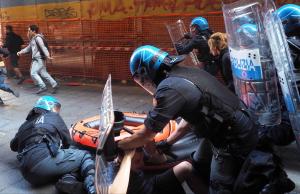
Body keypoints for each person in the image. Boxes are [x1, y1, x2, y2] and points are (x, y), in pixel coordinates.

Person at [118, 45, 258, 193]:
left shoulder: (169, 89)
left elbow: (146, 135)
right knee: (198, 163)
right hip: (230, 126)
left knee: (219, 187)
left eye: (140, 80)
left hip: (232, 137)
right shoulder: (185, 74)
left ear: (144, 73)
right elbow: (188, 120)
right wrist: (167, 143)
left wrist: (118, 147)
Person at [10, 96, 95, 194]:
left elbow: (13, 146)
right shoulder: (53, 116)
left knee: (67, 162)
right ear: (49, 106)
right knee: (83, 155)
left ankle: (68, 181)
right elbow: (68, 143)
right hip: (43, 162)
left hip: (27, 173)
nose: (57, 111)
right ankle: (92, 188)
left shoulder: (24, 125)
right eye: (56, 108)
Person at [17, 25, 59, 94]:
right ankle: (55, 84)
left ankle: (42, 86)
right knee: (43, 73)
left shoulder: (38, 38)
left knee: (33, 73)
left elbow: (43, 47)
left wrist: (47, 55)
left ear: (33, 31)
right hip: (38, 58)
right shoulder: (33, 39)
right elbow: (28, 48)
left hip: (39, 58)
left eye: (29, 30)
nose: (28, 32)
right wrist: (20, 52)